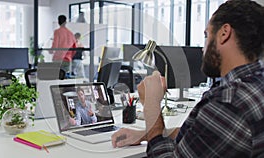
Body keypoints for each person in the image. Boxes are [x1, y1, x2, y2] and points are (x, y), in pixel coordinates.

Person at [111, 0, 264, 157]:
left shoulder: (229, 101)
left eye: (207, 35)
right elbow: (201, 138)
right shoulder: (255, 85)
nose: (203, 48)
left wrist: (151, 105)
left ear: (224, 33)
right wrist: (145, 134)